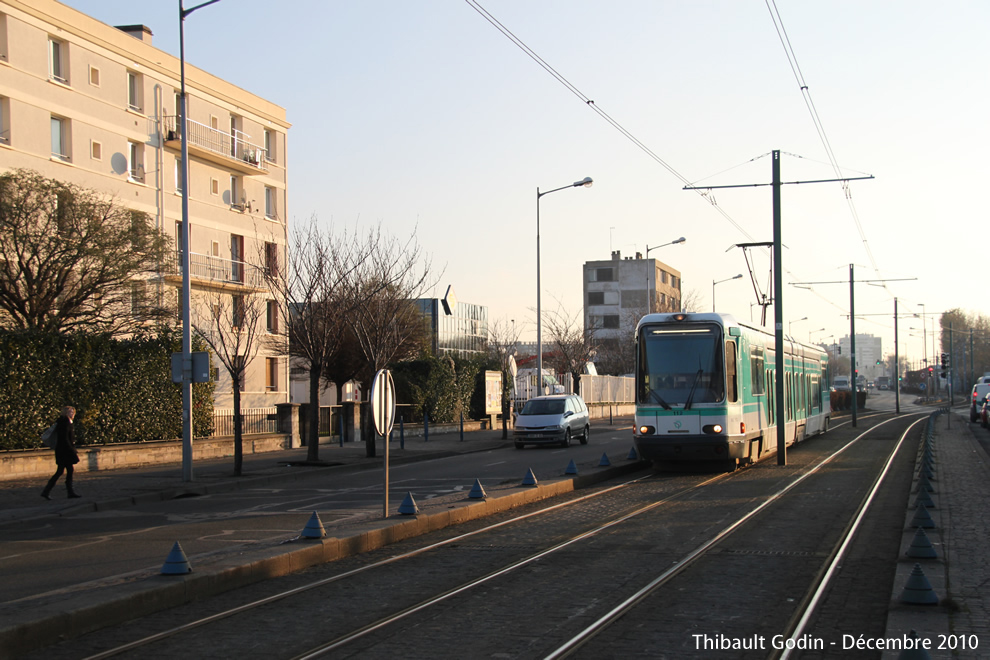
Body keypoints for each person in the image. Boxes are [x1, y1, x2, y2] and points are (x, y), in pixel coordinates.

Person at [41, 406, 81, 500]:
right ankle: (69, 492)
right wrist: (72, 450)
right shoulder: (65, 423)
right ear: (65, 413)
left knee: (61, 471)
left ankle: (47, 491)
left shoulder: (62, 422)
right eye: (69, 412)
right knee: (67, 470)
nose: (71, 413)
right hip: (65, 451)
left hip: (62, 451)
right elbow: (65, 438)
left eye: (72, 412)